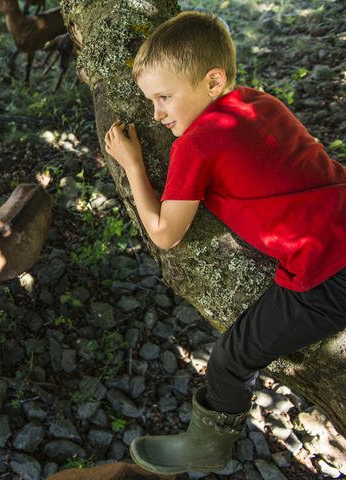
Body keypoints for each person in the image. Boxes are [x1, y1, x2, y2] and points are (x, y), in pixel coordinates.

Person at [103, 11, 346, 475]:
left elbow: (165, 233)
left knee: (232, 357)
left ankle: (206, 449)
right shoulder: (262, 103)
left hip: (328, 272)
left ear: (213, 82)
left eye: (164, 98)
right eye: (151, 100)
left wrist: (133, 164)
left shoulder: (193, 146)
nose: (156, 115)